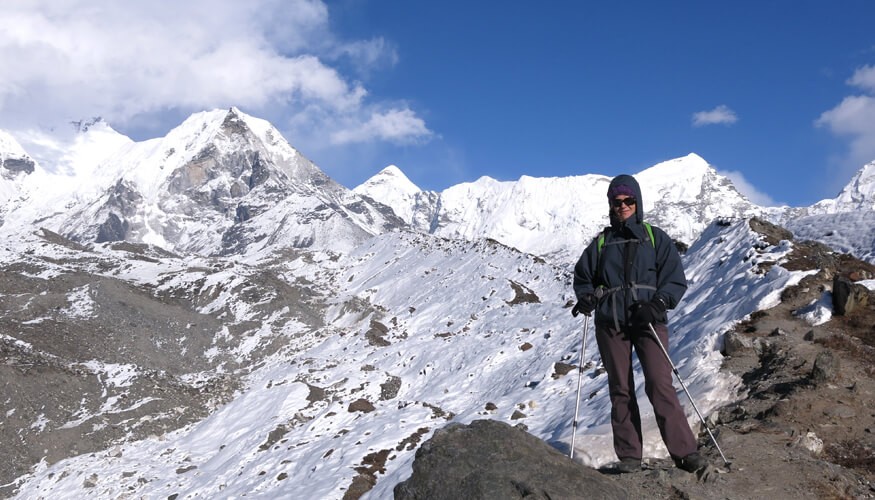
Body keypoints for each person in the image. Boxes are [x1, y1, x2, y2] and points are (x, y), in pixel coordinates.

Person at [571, 174, 708, 473]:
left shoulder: (655, 237)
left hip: (649, 321)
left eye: (628, 201)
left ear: (637, 202)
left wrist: (659, 303)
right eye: (616, 202)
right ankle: (630, 457)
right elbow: (583, 278)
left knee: (660, 384)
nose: (622, 206)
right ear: (610, 205)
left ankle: (685, 452)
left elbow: (674, 279)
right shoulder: (601, 243)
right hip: (611, 322)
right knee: (620, 388)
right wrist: (586, 298)